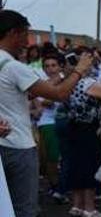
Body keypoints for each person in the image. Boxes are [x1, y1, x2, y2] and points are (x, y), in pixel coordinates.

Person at [0, 10, 94, 217]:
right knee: (22, 213)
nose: (28, 41)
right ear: (13, 33)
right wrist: (80, 70)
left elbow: (43, 90)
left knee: (4, 215)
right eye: (25, 34)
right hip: (17, 146)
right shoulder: (13, 67)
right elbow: (61, 94)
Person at [60, 57, 101, 217]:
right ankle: (89, 209)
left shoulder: (67, 84)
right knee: (89, 167)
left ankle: (76, 206)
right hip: (88, 129)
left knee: (76, 166)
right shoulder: (88, 83)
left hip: (73, 127)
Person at [32, 53, 64, 202]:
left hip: (65, 121)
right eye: (47, 66)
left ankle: (64, 185)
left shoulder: (66, 81)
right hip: (47, 122)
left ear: (59, 66)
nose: (50, 69)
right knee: (52, 157)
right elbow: (46, 102)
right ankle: (54, 187)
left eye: (53, 65)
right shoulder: (39, 84)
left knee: (65, 157)